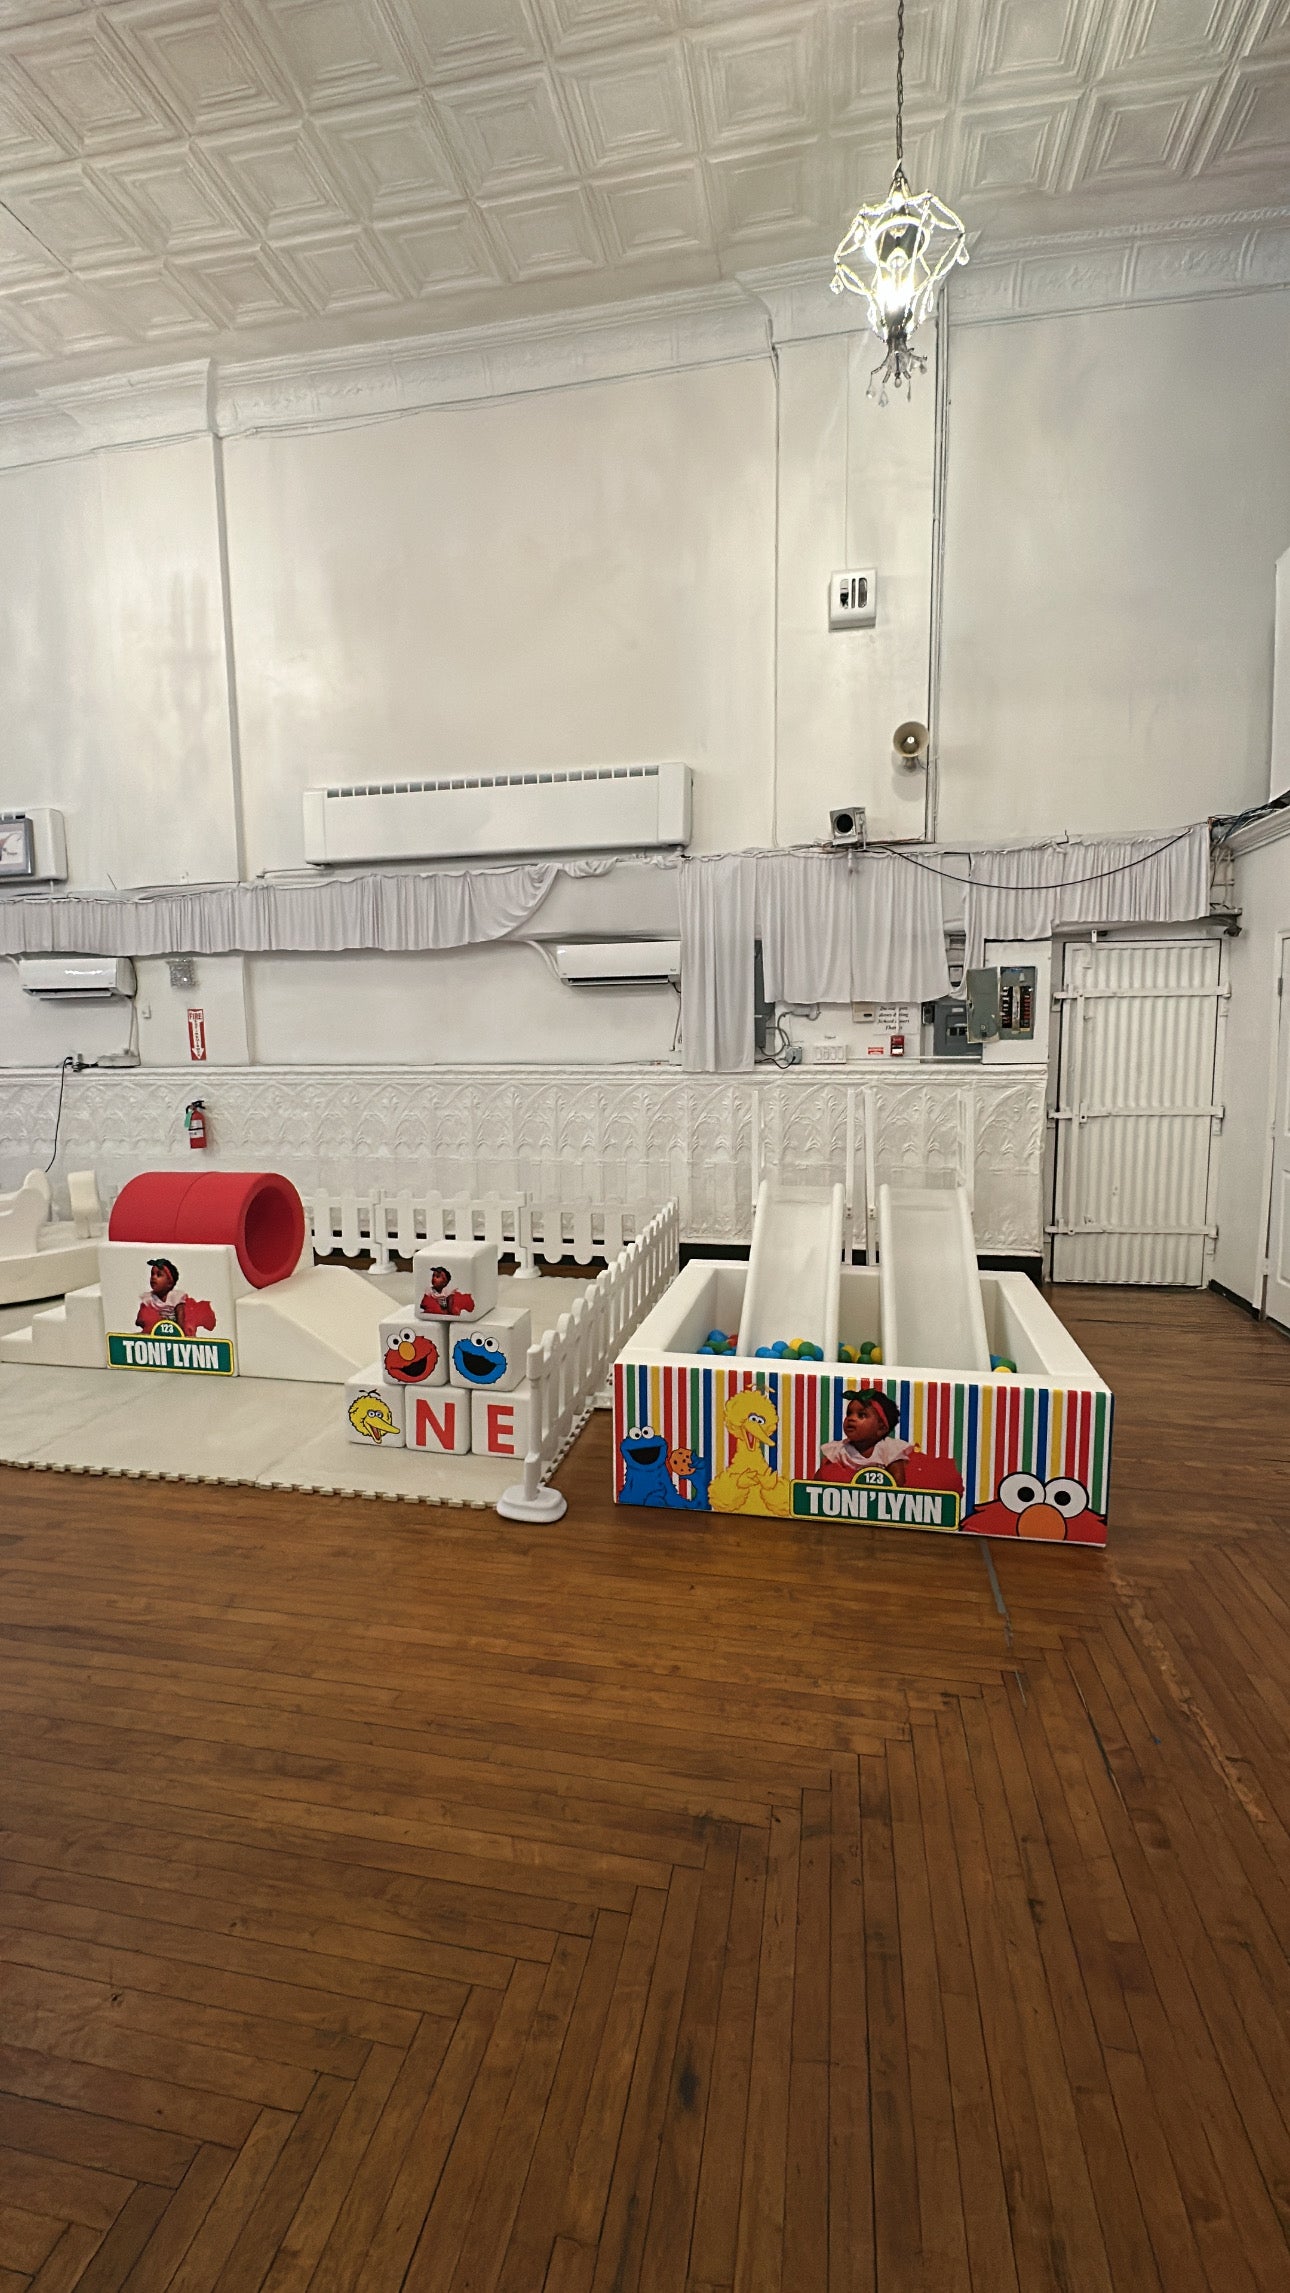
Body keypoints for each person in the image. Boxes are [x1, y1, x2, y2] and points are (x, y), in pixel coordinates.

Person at [817, 1387, 963, 1493]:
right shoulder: (840, 1449)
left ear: (881, 1428)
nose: (851, 1419)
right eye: (849, 1414)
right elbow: (823, 1476)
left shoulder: (887, 1447)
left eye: (861, 1415)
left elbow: (897, 1477)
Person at [136, 1257, 216, 1339]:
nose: (153, 1277)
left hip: (175, 1327)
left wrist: (179, 1333)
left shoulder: (175, 1297)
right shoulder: (149, 1298)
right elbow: (139, 1320)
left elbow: (180, 1318)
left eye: (159, 1275)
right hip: (158, 1328)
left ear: (169, 1282)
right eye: (152, 1274)